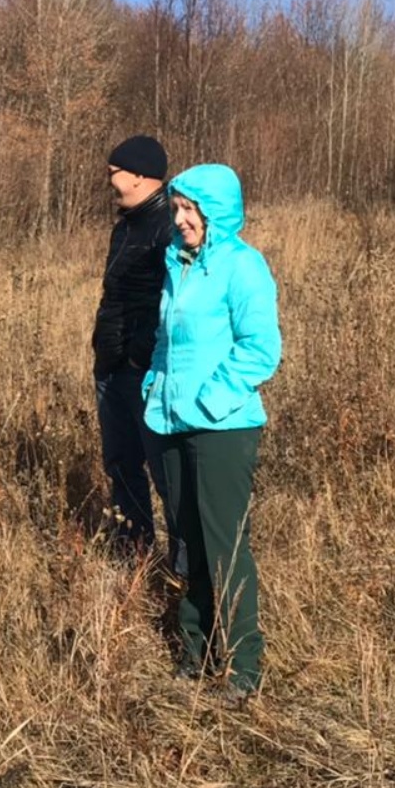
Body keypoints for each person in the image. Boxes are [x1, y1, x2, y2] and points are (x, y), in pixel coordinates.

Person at [142, 163, 281, 700]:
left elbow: (261, 348)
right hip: (169, 423)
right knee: (187, 543)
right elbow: (164, 339)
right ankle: (195, 655)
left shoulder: (243, 268)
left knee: (225, 546)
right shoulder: (174, 263)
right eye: (176, 209)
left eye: (188, 209)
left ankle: (244, 666)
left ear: (214, 211)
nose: (179, 219)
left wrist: (210, 398)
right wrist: (153, 388)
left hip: (223, 428)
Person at [92, 135, 178, 569]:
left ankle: (185, 568)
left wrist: (140, 356)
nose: (108, 177)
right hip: (111, 365)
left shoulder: (169, 225)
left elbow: (172, 302)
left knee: (167, 474)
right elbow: (116, 295)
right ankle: (135, 558)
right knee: (121, 465)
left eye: (115, 170)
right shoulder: (125, 223)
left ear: (140, 176)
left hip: (143, 371)